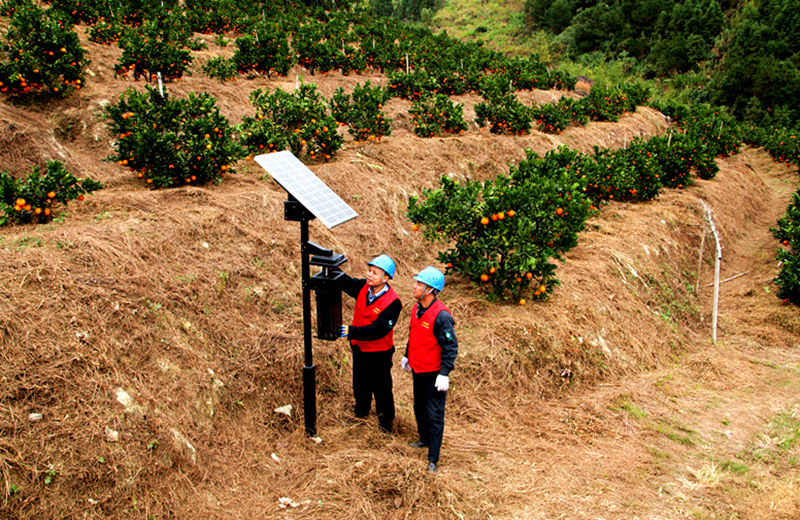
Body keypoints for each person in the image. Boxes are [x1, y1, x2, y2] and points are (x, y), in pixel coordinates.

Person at [401, 266, 458, 473]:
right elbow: (414, 333)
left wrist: (444, 373)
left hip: (434, 374)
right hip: (418, 368)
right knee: (419, 407)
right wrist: (408, 354)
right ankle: (424, 439)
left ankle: (433, 458)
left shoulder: (441, 316)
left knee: (434, 414)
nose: (414, 286)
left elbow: (450, 347)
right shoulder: (416, 308)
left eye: (418, 284)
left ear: (430, 289)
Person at [339, 254, 402, 433]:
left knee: (381, 388)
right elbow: (347, 282)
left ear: (386, 278)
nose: (369, 275)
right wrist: (330, 266)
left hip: (379, 353)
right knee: (360, 382)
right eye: (369, 271)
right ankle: (361, 411)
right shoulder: (363, 288)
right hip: (359, 347)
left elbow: (378, 330)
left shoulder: (393, 303)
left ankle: (386, 423)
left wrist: (350, 331)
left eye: (375, 273)